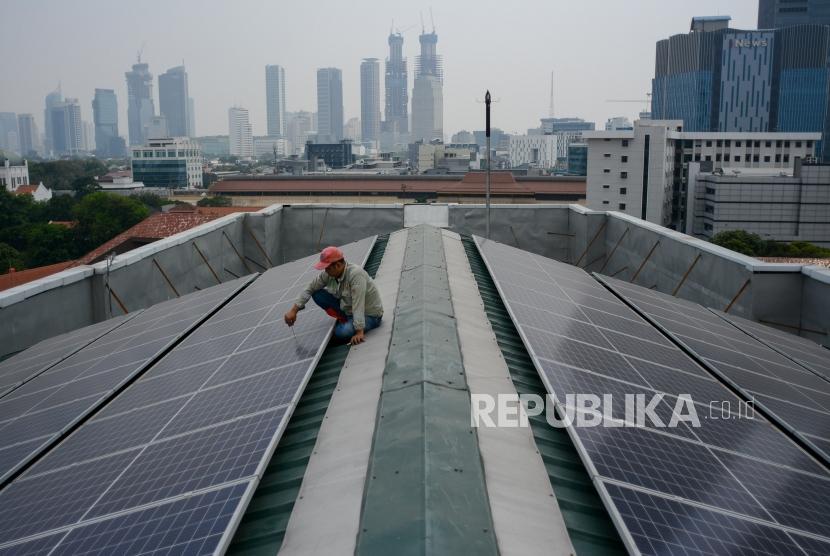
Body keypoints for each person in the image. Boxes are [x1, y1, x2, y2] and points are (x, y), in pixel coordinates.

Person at [284, 246, 383, 345]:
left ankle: (350, 323)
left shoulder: (355, 275)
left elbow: (358, 305)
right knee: (317, 293)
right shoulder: (329, 274)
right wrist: (294, 310)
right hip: (348, 309)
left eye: (327, 268)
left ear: (338, 265)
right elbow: (310, 288)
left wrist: (359, 332)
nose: (325, 271)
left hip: (369, 315)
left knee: (341, 332)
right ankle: (346, 319)